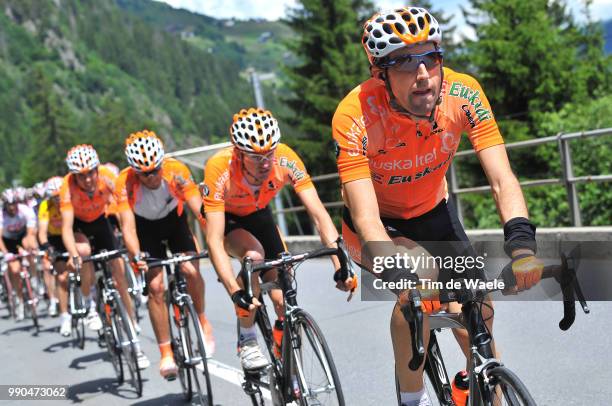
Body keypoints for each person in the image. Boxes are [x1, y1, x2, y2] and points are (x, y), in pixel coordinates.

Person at [332, 7, 544, 405]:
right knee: (422, 293)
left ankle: (482, 389)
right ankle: (414, 399)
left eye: (431, 57)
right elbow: (365, 217)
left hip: (435, 213)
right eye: (404, 62)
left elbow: (501, 179)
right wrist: (397, 273)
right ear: (380, 73)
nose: (423, 74)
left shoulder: (463, 94)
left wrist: (522, 247)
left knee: (477, 308)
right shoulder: (355, 114)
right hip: (382, 226)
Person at [202, 108, 356, 371]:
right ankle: (248, 340)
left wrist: (339, 263)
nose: (264, 163)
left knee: (282, 296)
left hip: (259, 214)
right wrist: (234, 291)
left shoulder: (285, 158)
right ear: (239, 154)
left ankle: (283, 363)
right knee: (253, 256)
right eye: (255, 157)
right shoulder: (220, 168)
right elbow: (214, 240)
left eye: (268, 154)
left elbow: (319, 215)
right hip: (227, 219)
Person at [115, 130, 214, 379]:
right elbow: (127, 227)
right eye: (144, 173)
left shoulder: (176, 170)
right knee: (156, 287)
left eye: (155, 169)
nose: (151, 176)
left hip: (175, 221)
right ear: (135, 172)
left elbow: (198, 208)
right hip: (145, 229)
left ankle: (202, 321)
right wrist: (136, 255)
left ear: (162, 163)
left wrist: (213, 237)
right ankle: (166, 352)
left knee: (190, 270)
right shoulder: (123, 183)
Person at [60, 144, 149, 369]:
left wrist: (128, 240)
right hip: (80, 226)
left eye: (91, 172)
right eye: (82, 175)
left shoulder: (109, 177)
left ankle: (131, 326)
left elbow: (122, 212)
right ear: (74, 175)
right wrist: (73, 255)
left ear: (97, 169)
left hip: (101, 221)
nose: (88, 179)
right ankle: (90, 304)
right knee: (84, 253)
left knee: (118, 270)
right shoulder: (67, 187)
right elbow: (67, 228)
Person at [0, 188, 38, 321]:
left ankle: (34, 278)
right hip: (8, 242)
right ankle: (20, 301)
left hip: (22, 237)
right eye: (9, 205)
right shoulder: (1, 215)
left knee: (29, 245)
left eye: (14, 203)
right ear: (5, 205)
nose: (12, 207)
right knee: (15, 270)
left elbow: (31, 232)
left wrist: (30, 247)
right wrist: (5, 254)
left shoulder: (25, 210)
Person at [38, 176, 69, 331]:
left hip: (71, 234)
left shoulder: (70, 199)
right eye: (54, 198)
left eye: (60, 196)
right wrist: (46, 246)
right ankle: (65, 316)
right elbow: (42, 232)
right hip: (55, 239)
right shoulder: (45, 205)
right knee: (62, 277)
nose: (58, 200)